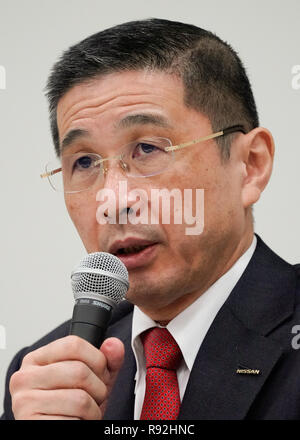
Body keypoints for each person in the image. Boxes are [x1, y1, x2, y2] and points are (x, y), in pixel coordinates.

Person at [1, 18, 300, 420]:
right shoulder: (48, 378)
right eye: (85, 162)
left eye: (146, 148)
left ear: (250, 165)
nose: (112, 200)